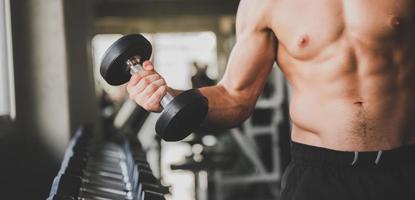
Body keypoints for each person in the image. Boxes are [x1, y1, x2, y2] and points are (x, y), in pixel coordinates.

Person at [126, 0, 415, 199]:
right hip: (319, 173)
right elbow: (235, 97)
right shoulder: (264, 4)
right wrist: (171, 97)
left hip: (403, 166)